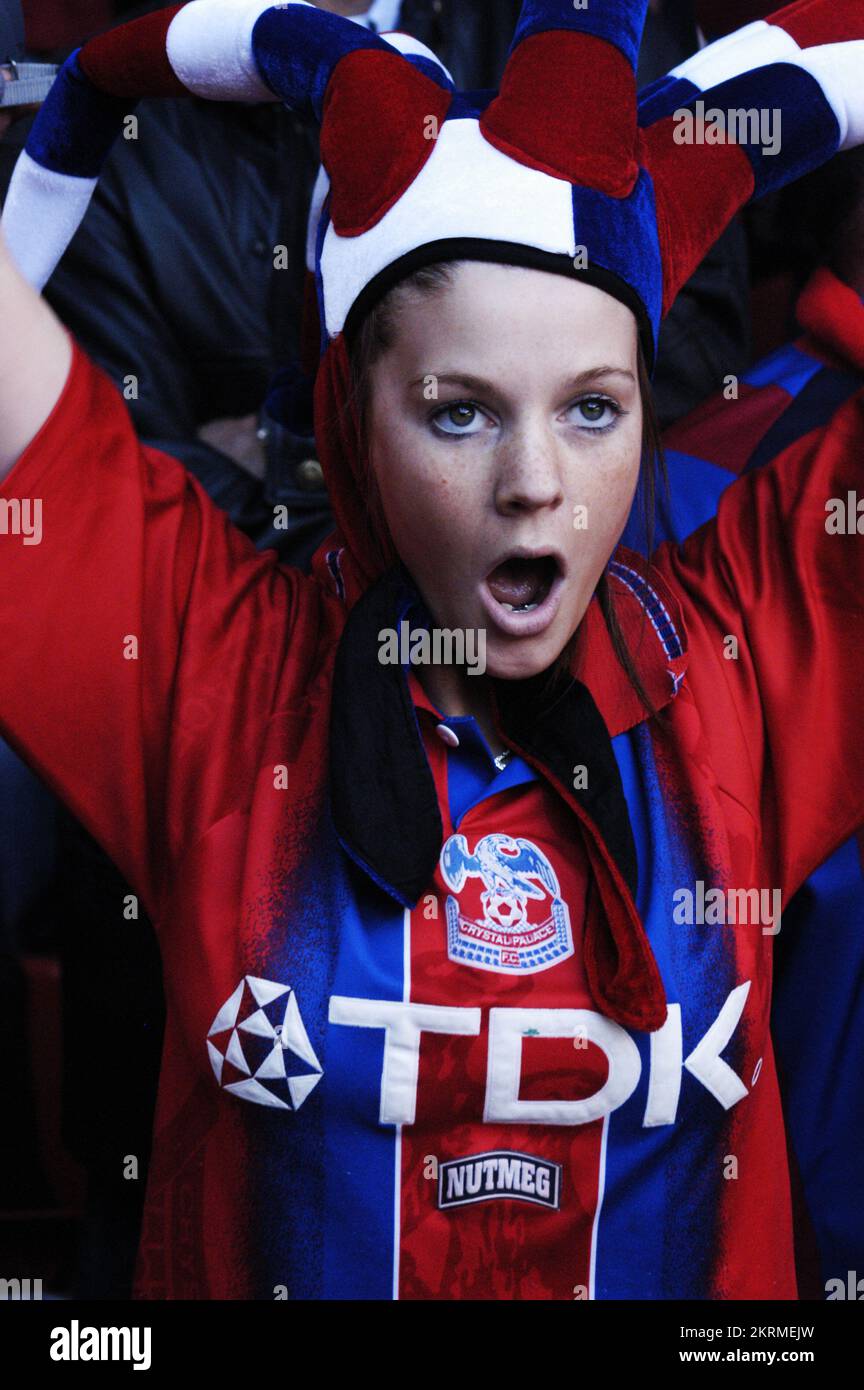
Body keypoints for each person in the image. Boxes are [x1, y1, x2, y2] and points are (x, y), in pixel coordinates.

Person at [1, 0, 863, 1301]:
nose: (535, 482)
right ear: (353, 424)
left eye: (592, 409)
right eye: (458, 413)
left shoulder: (737, 670)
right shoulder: (211, 663)